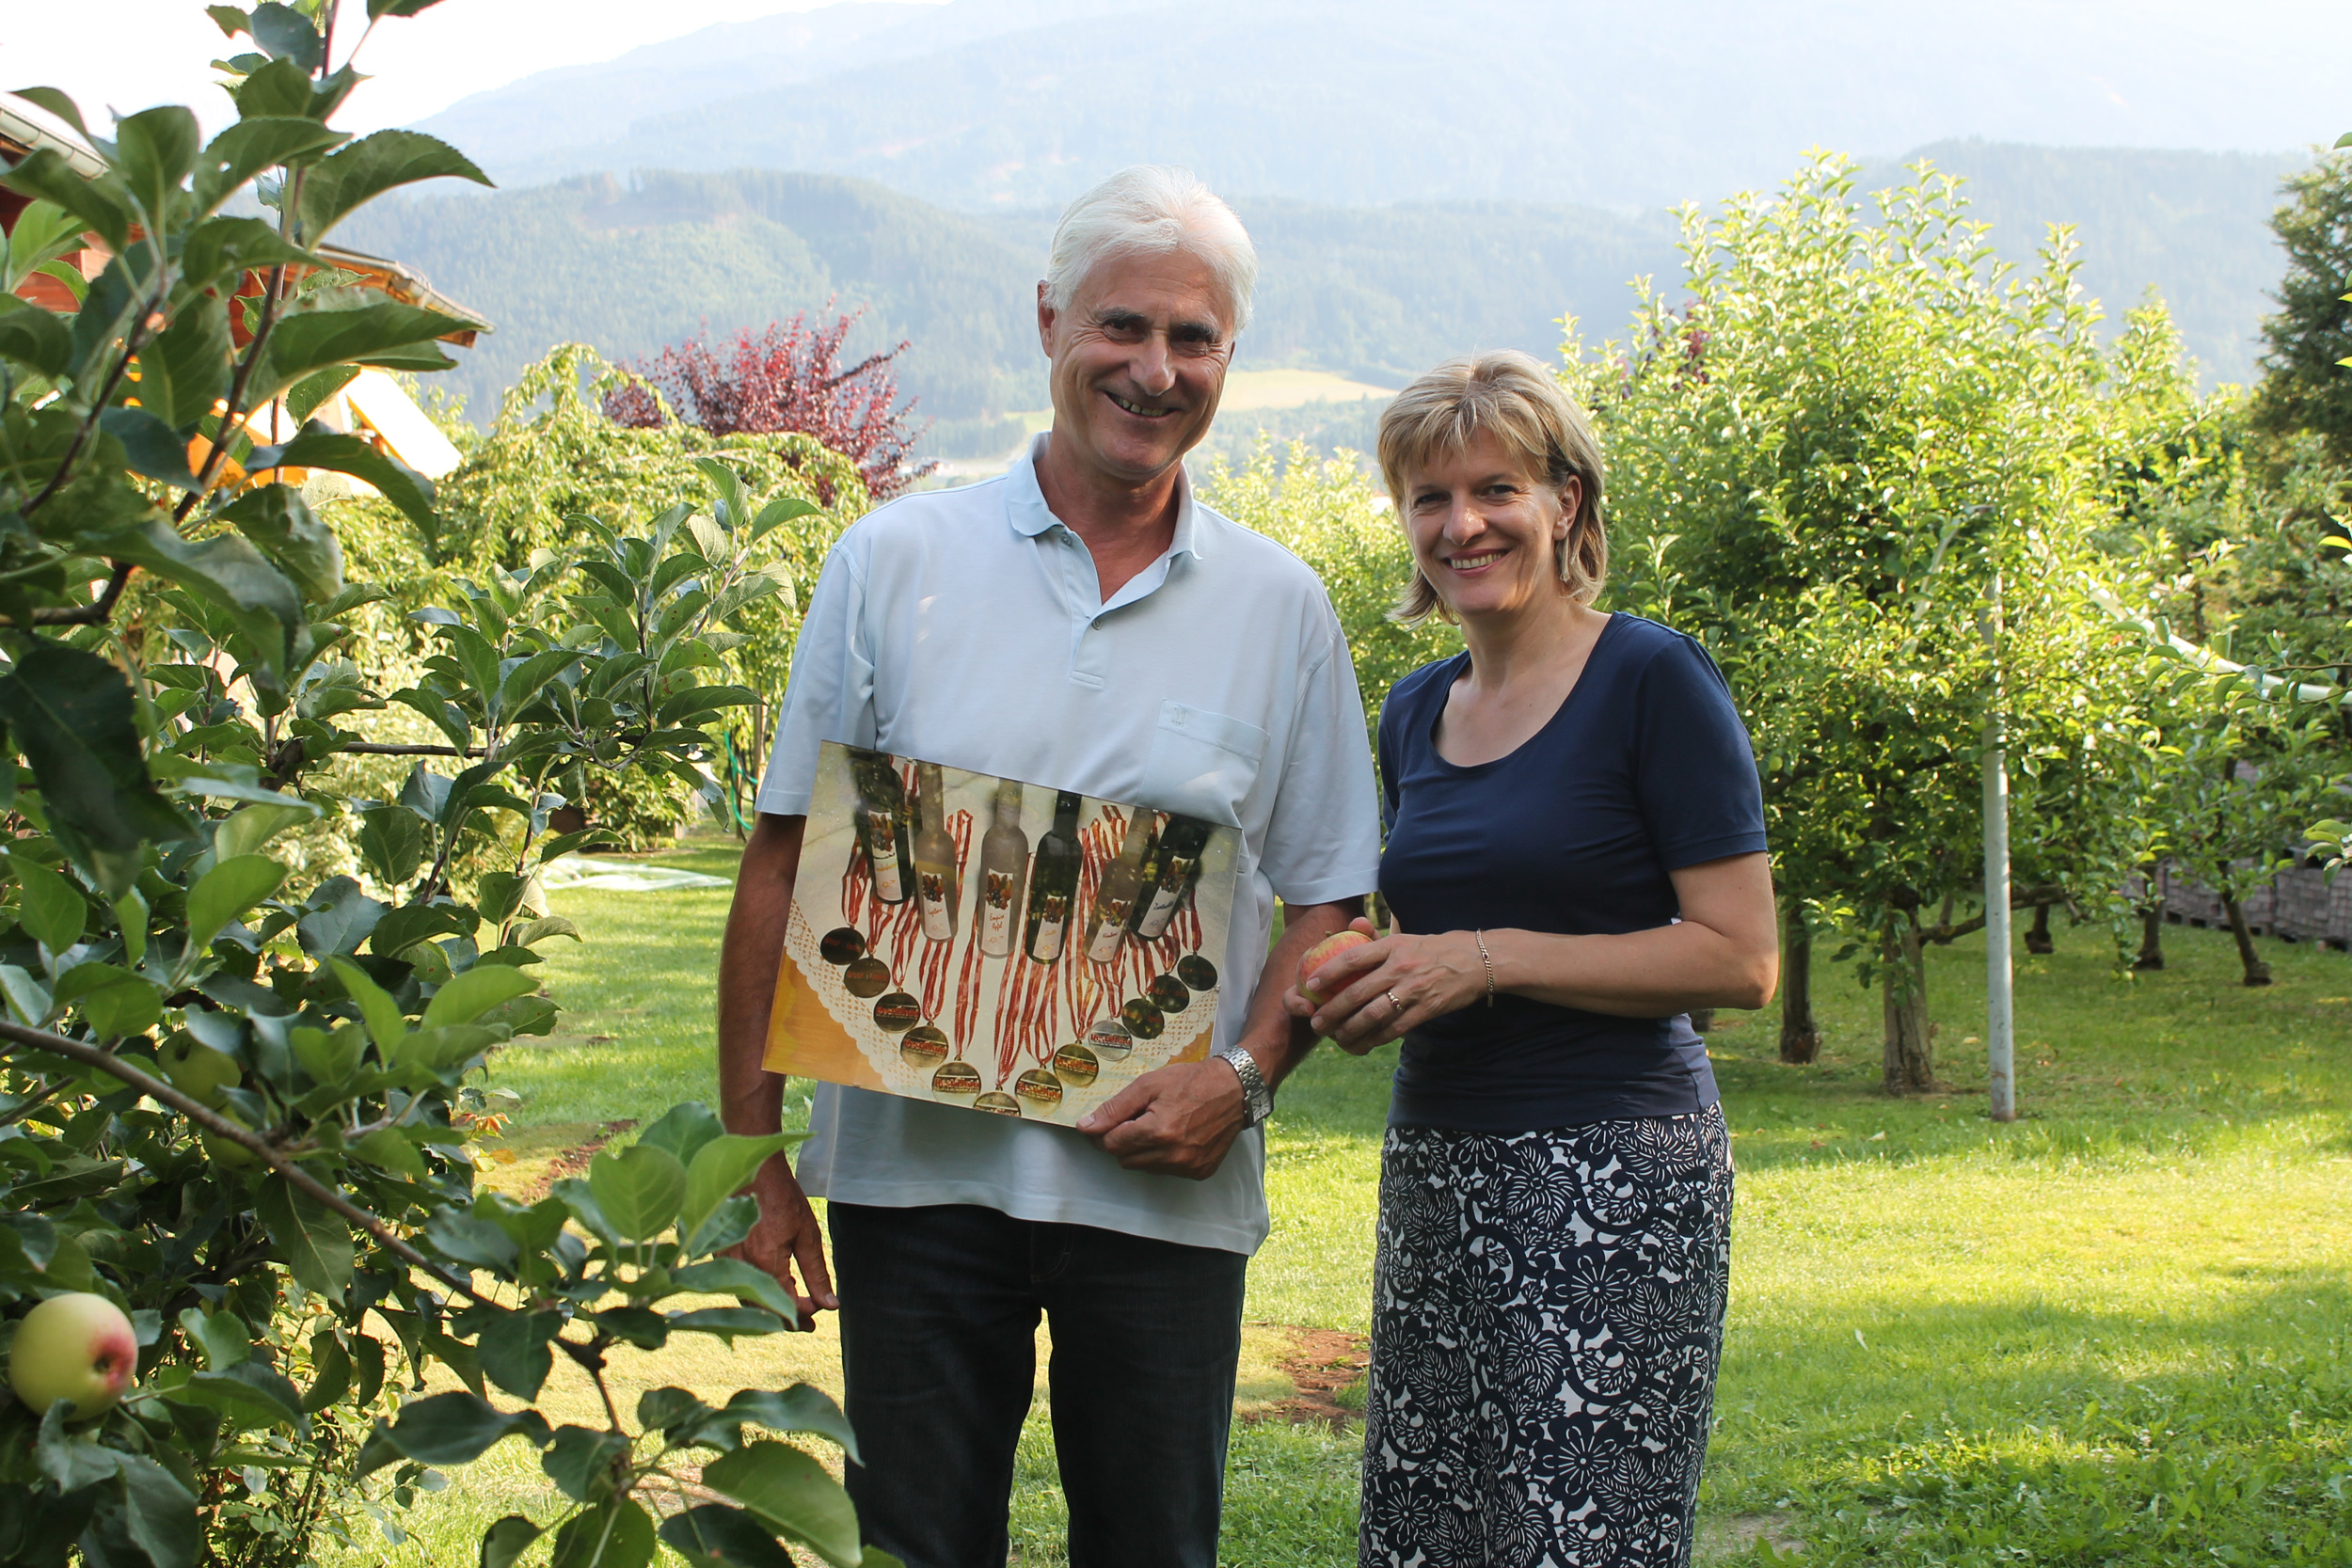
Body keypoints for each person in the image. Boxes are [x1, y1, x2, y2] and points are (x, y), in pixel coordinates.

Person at [714, 166, 1382, 1568]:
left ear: (1228, 360)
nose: (1155, 370)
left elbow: (1330, 896)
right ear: (1046, 322)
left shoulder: (1282, 607)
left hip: (1164, 1191)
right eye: (1122, 328)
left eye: (1194, 340)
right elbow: (781, 857)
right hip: (914, 1185)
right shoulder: (893, 561)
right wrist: (749, 1153)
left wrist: (1246, 1080)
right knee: (914, 1545)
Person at [1289, 351, 1778, 1568]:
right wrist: (1377, 983)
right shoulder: (1415, 708)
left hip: (1612, 1172)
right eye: (1430, 497)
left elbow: (1740, 957)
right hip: (1441, 1165)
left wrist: (1487, 958)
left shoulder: (1651, 678)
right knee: (1433, 1529)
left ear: (1567, 501)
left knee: (1576, 1536)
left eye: (1496, 488)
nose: (1463, 524)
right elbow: (1437, 937)